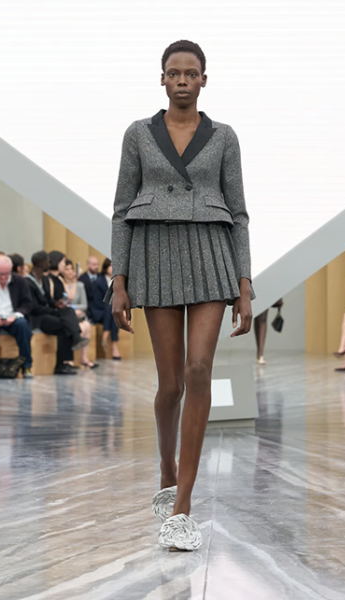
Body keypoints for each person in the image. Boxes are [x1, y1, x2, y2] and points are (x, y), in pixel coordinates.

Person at [107, 40, 254, 551]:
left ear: (204, 80)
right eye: (175, 73)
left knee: (198, 370)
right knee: (170, 384)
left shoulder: (224, 137)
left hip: (211, 254)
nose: (183, 80)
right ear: (163, 79)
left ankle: (183, 505)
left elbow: (239, 212)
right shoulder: (138, 134)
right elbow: (122, 208)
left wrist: (244, 285)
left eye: (192, 73)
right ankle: (166, 467)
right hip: (155, 254)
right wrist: (119, 280)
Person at [80, 255, 121, 360]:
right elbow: (97, 301)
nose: (113, 268)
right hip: (97, 310)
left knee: (113, 312)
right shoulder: (98, 280)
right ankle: (114, 346)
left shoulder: (118, 281)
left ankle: (108, 336)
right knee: (111, 308)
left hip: (108, 312)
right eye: (111, 266)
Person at [60, 258, 96, 369]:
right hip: (66, 315)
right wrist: (71, 310)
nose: (70, 271)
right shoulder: (59, 284)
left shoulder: (80, 285)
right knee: (79, 327)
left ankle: (83, 358)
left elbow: (84, 305)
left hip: (79, 314)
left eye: (72, 269)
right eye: (67, 269)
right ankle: (69, 359)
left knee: (86, 325)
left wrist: (74, 308)